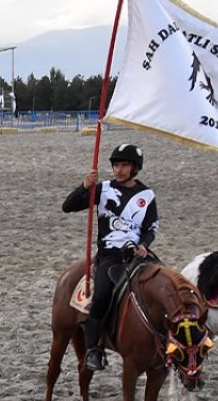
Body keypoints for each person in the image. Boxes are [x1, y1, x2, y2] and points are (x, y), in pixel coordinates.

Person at [61, 143, 158, 371]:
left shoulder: (147, 195)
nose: (119, 170)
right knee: (102, 293)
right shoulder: (102, 188)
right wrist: (85, 187)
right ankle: (94, 349)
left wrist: (144, 244)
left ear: (134, 168)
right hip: (109, 256)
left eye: (124, 165)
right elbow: (68, 206)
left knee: (163, 284)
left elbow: (151, 227)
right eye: (116, 165)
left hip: (137, 255)